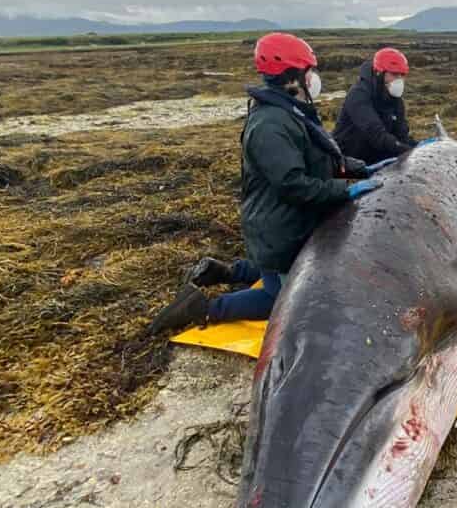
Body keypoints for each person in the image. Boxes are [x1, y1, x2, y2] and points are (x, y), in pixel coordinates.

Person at [149, 33, 388, 334]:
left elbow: (321, 157)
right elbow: (292, 184)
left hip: (286, 224)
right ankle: (202, 309)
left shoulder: (292, 112)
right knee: (281, 299)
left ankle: (226, 271)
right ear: (291, 77)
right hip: (279, 226)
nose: (314, 77)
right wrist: (344, 190)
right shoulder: (270, 125)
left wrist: (362, 169)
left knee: (282, 269)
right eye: (309, 71)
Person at [333, 47, 423, 163]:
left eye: (402, 75)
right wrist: (410, 152)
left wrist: (420, 149)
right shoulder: (359, 94)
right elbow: (376, 134)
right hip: (349, 159)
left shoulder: (396, 99)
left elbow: (402, 135)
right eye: (395, 74)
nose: (399, 80)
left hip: (377, 156)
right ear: (379, 73)